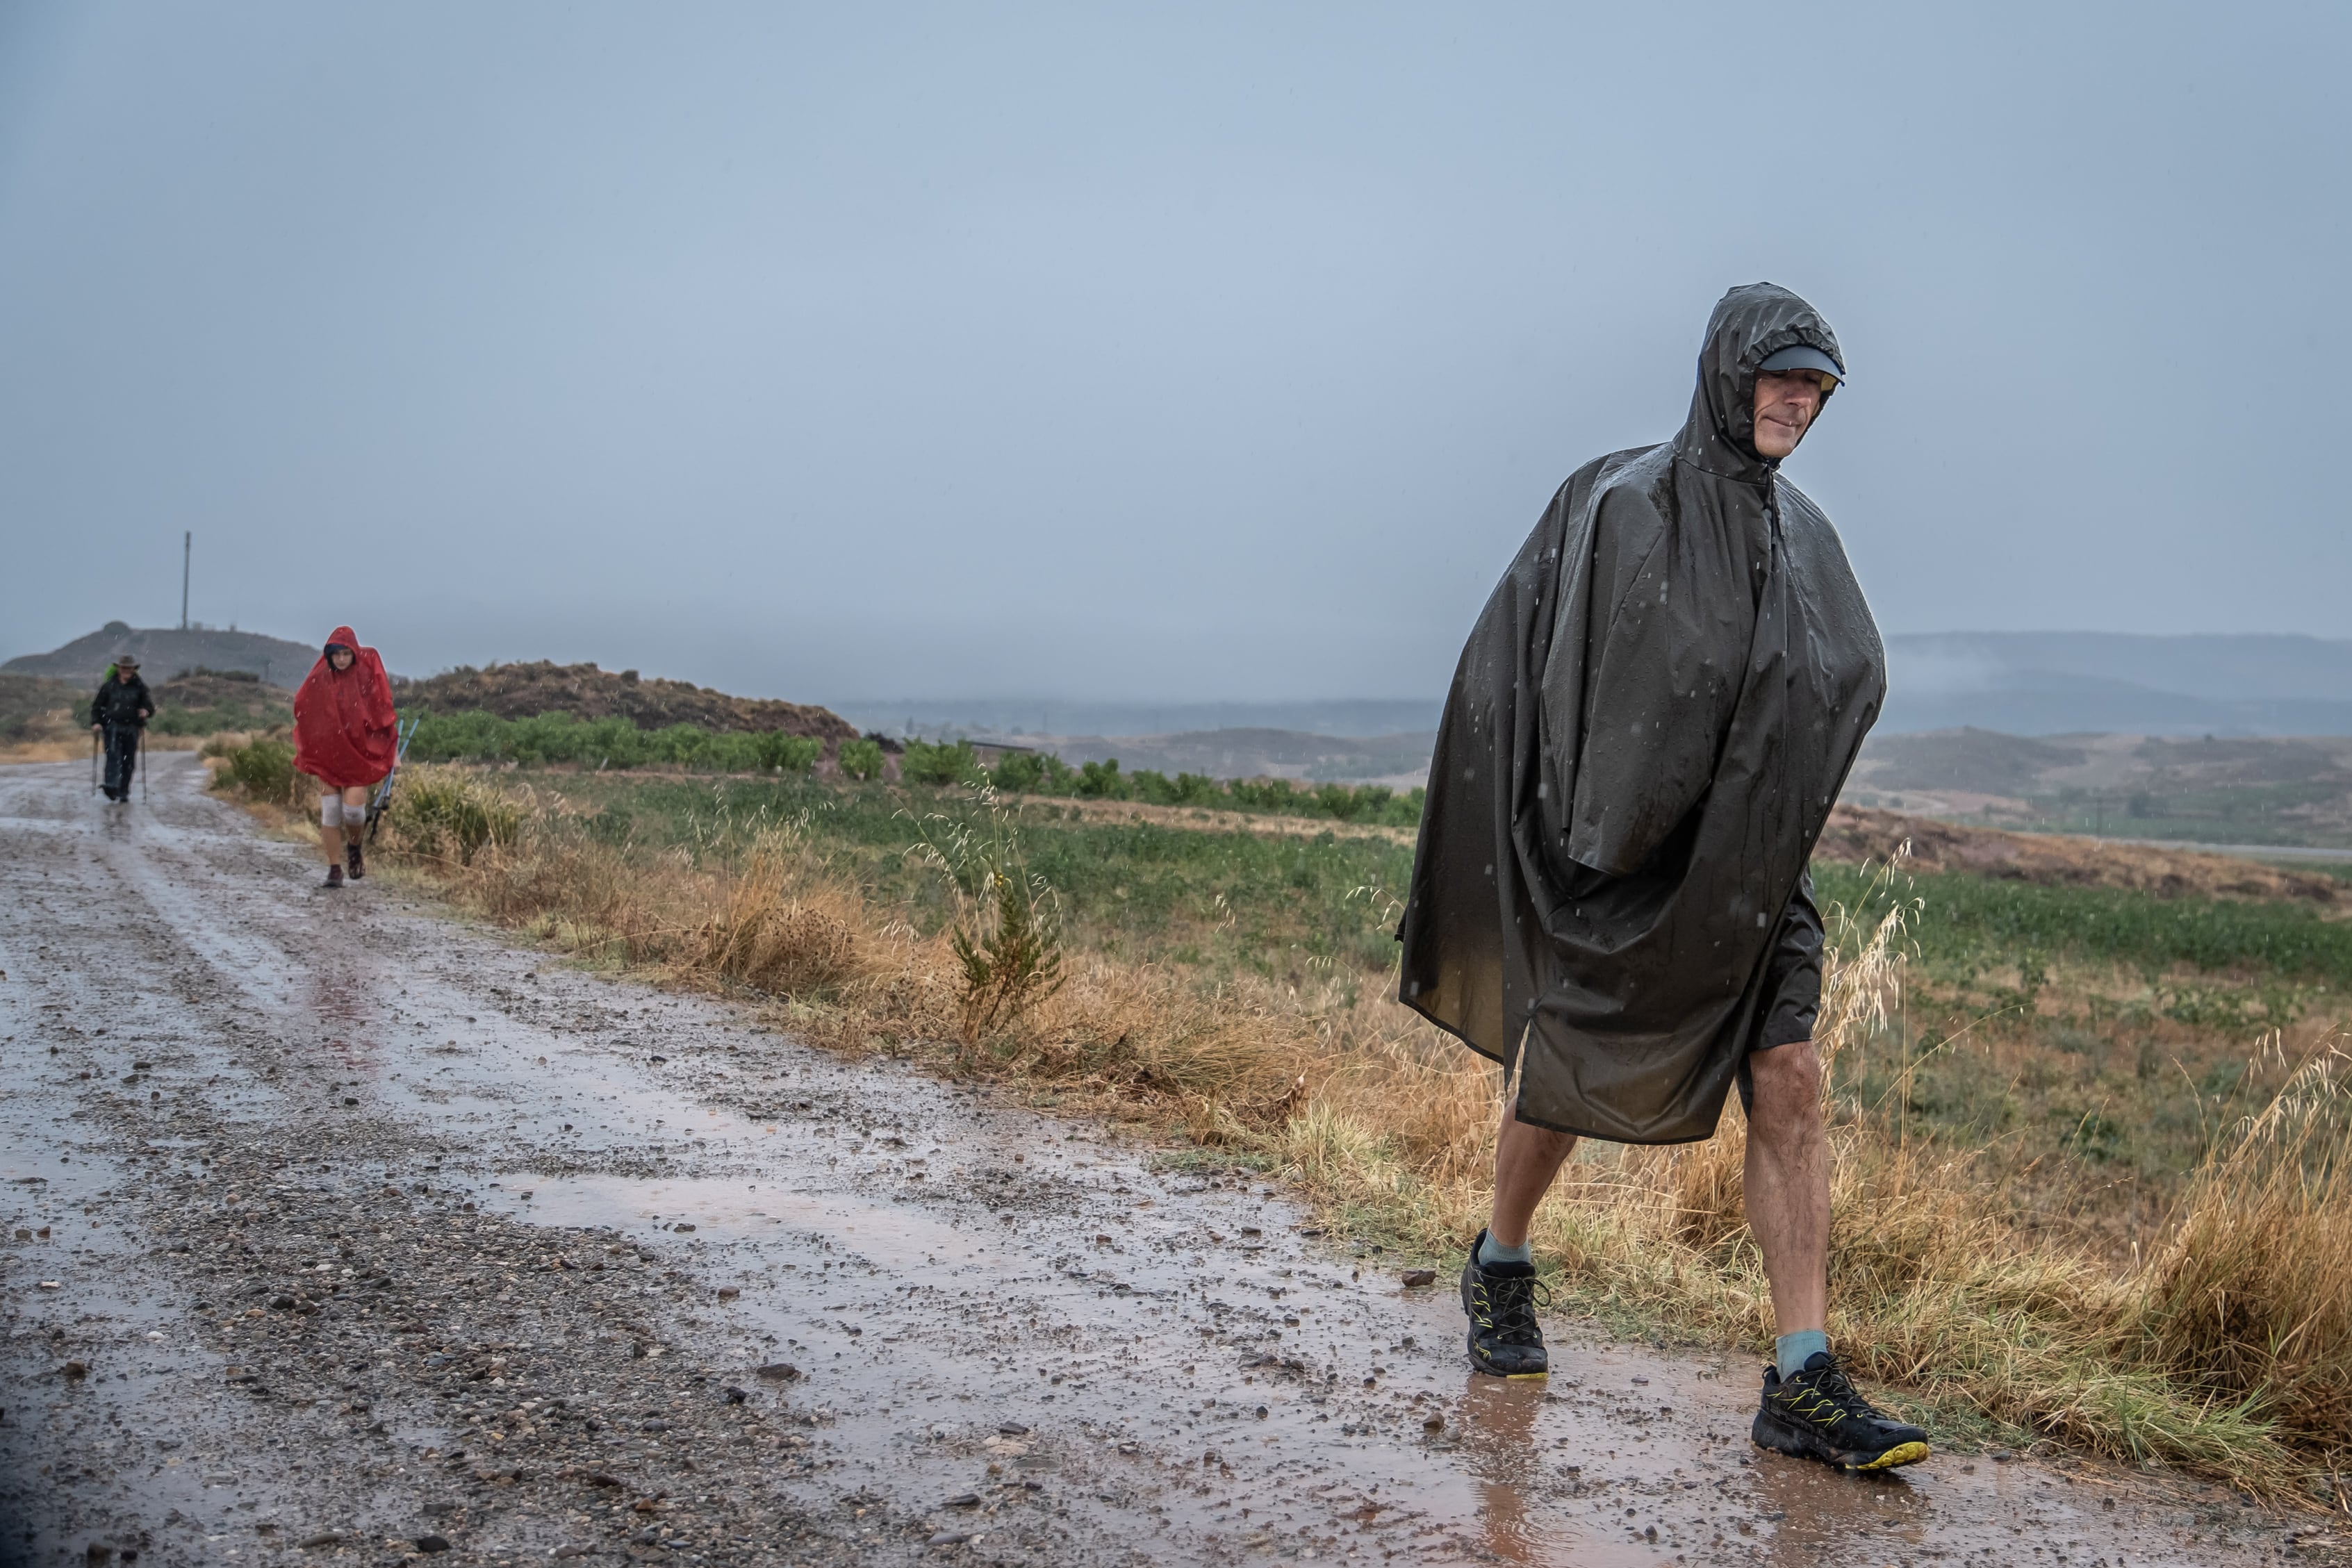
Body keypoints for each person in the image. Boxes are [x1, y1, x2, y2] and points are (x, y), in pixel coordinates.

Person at [1399, 283, 1930, 1474]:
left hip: (1748, 869)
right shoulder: (1630, 507)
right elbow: (1579, 679)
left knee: (1789, 1074)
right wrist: (1599, 831)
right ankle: (1500, 1264)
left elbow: (1839, 670)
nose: (1799, 398)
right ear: (1727, 375)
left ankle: (1802, 1375)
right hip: (1620, 857)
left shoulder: (1804, 538)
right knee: (1575, 1063)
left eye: (1817, 384)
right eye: (1780, 374)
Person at [291, 627, 399, 889]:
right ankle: (334, 870)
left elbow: (382, 713)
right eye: (335, 654)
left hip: (358, 755)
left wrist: (391, 752)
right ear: (328, 656)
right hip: (329, 755)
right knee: (330, 813)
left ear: (353, 652)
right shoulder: (321, 678)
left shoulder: (365, 675)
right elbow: (304, 706)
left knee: (353, 812)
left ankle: (354, 847)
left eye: (345, 654)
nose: (340, 659)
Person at [88, 654, 154, 803]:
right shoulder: (109, 686)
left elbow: (150, 706)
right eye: (124, 667)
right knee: (113, 756)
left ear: (133, 669)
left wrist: (146, 711)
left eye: (129, 668)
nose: (126, 670)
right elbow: (97, 706)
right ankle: (112, 787)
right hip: (112, 726)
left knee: (128, 760)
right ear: (118, 668)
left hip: (132, 727)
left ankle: (124, 790)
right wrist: (96, 723)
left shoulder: (140, 686)